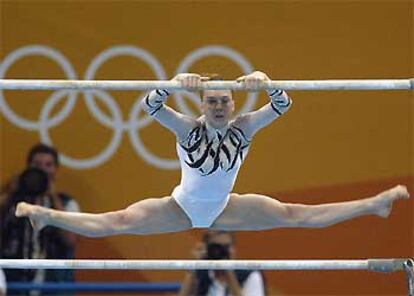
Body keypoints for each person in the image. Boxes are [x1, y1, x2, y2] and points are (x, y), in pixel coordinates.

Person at [15, 71, 409, 237]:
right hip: (180, 207)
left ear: (234, 104)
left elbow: (284, 105)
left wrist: (268, 83)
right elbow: (151, 107)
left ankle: (374, 204)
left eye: (224, 101)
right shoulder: (187, 129)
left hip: (226, 207)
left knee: (296, 215)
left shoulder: (245, 127)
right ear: (202, 105)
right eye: (212, 101)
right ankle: (45, 216)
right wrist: (170, 84)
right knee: (117, 222)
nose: (219, 107)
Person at [0, 144, 80, 294]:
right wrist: (12, 191)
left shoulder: (67, 203)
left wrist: (53, 196)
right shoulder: (13, 202)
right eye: (37, 165)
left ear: (56, 170)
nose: (43, 170)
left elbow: (70, 240)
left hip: (54, 285)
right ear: (28, 167)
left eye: (48, 165)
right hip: (13, 284)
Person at [179, 230, 266, 296]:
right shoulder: (202, 273)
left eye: (226, 247)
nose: (220, 252)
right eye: (216, 247)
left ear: (233, 249)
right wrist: (192, 269)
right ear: (207, 249)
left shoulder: (251, 275)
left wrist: (229, 274)